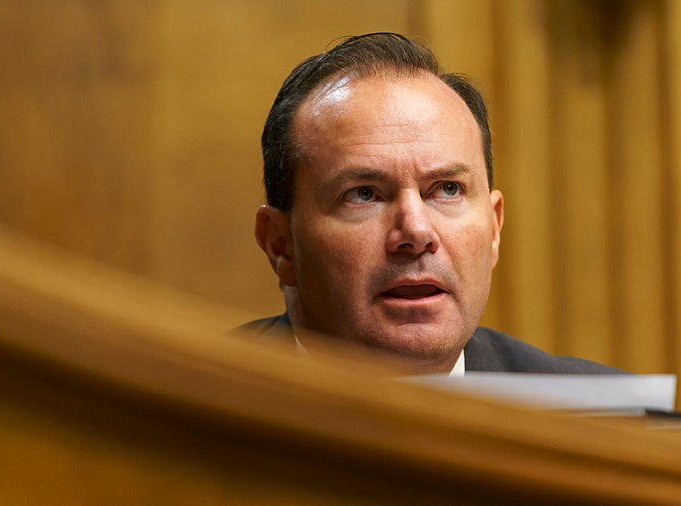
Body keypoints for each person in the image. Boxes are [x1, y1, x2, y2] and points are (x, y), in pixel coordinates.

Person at [241, 32, 619, 375]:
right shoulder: (191, 424)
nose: (417, 232)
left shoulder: (621, 429)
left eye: (447, 189)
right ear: (280, 245)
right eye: (364, 194)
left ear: (494, 227)